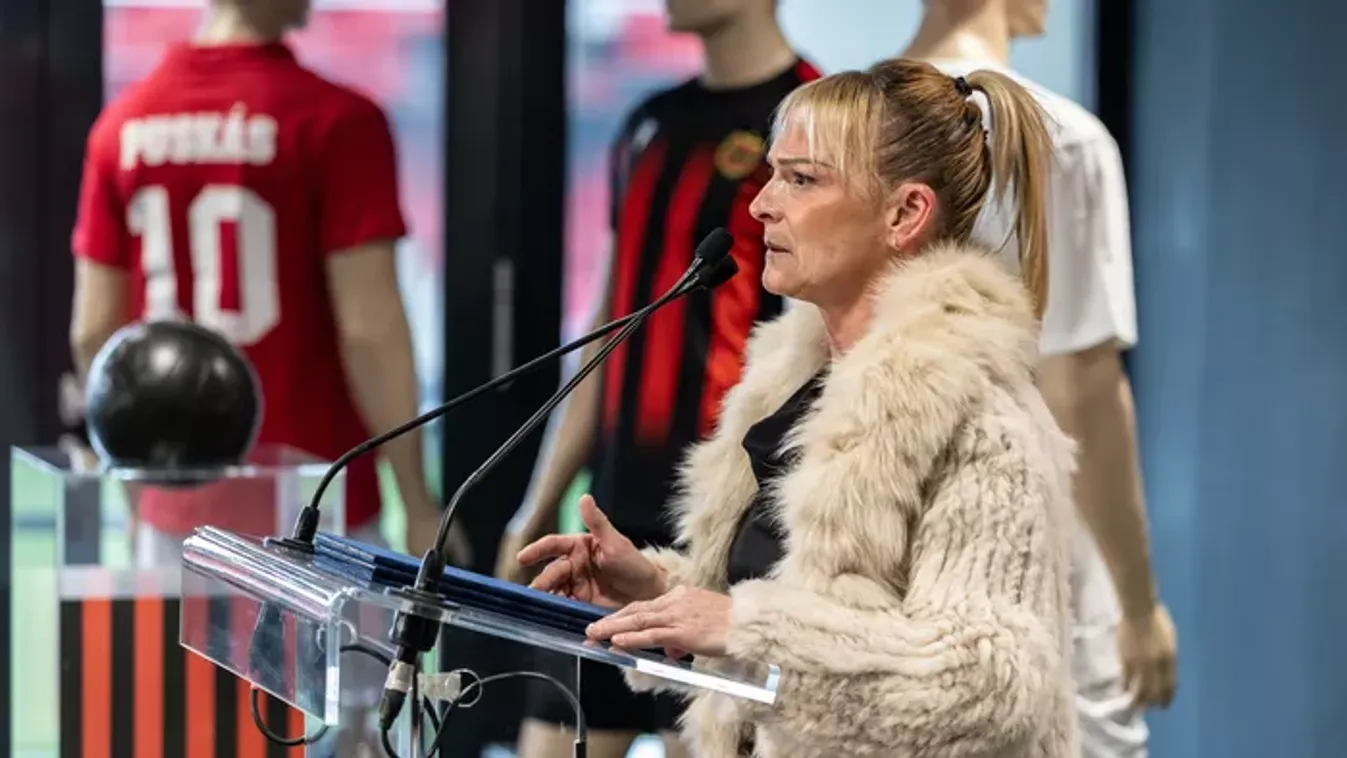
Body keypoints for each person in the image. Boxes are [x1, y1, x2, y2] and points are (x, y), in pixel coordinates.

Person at [518, 58, 1079, 757]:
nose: (761, 204)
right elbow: (793, 609)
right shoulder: (799, 388)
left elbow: (989, 687)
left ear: (905, 213)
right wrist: (655, 590)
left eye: (802, 179)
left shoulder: (984, 420)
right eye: (773, 174)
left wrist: (741, 628)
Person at [495, 1, 819, 756]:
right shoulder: (650, 124)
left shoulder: (809, 123)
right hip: (611, 526)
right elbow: (612, 323)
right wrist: (538, 500)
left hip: (724, 532)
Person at [67, 0, 466, 562]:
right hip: (318, 507)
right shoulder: (339, 120)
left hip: (177, 508)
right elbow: (369, 333)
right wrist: (418, 503)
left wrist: (137, 488)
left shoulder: (122, 125)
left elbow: (94, 332)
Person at [902, 2, 1178, 753]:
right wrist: (1139, 606)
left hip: (874, 530)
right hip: (1025, 545)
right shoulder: (1060, 138)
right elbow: (1081, 388)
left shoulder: (829, 123)